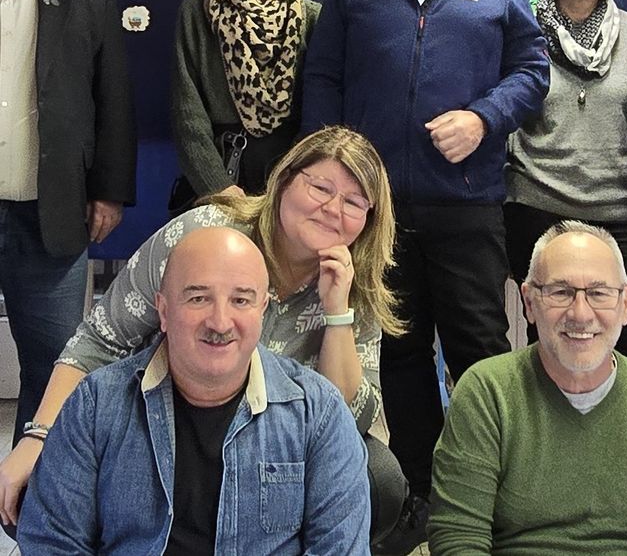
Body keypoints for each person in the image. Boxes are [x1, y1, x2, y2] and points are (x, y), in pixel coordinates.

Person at [301, 0, 549, 550]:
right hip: (375, 208)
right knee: (402, 355)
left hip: (466, 199)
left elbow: (531, 74)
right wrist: (329, 174)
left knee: (479, 347)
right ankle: (420, 495)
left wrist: (482, 117)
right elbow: (323, 76)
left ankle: (490, 493)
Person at [0, 126, 405, 545]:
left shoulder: (359, 280)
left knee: (379, 478)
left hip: (279, 440)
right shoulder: (204, 235)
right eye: (320, 187)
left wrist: (338, 312)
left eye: (354, 202)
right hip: (156, 416)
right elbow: (100, 340)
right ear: (285, 180)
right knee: (33, 493)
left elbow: (345, 417)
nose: (332, 209)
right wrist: (39, 435)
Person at [17, 227, 371, 554]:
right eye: (199, 298)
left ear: (262, 311)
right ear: (164, 310)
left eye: (241, 300)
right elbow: (52, 543)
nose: (219, 322)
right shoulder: (96, 405)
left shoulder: (318, 414)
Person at [428, 220, 627, 554]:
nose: (581, 313)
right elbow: (458, 539)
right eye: (561, 292)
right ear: (529, 302)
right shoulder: (487, 393)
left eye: (599, 293)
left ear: (626, 303)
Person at [0, 0, 136, 443]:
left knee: (53, 368)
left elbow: (114, 99)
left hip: (49, 216)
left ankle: (32, 503)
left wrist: (108, 191)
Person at [504, 0, 627, 343]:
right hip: (537, 207)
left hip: (620, 212)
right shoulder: (519, 27)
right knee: (548, 342)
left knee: (624, 345)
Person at [171, 0, 319, 201]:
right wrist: (216, 186)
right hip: (219, 175)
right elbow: (187, 112)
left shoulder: (312, 18)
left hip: (290, 180)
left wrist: (297, 181)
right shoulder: (196, 14)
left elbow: (321, 109)